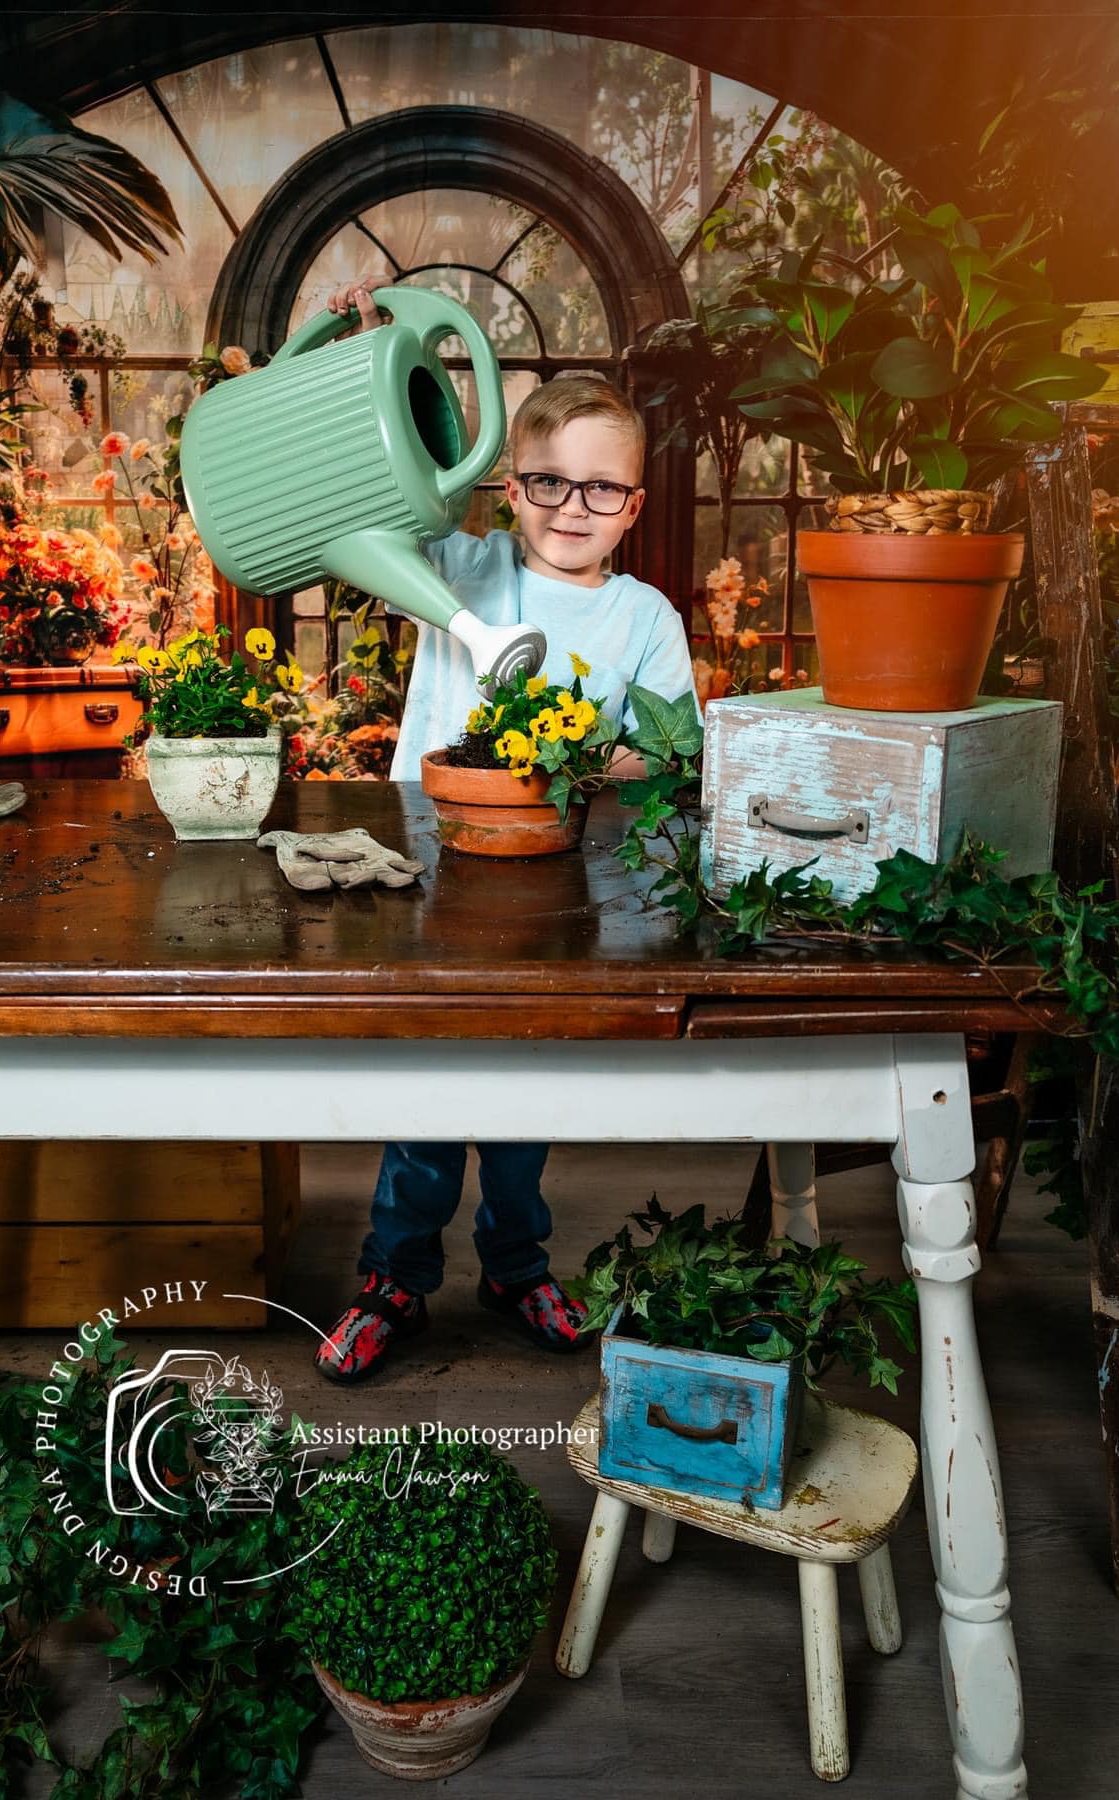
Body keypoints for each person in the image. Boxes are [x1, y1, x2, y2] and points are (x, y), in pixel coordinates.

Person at [315, 279, 697, 1384]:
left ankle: (515, 1268)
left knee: (524, 1094)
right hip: (430, 870)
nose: (571, 507)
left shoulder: (641, 617)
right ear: (509, 488)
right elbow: (362, 495)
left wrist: (593, 759)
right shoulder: (461, 569)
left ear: (632, 504)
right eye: (546, 482)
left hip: (555, 891)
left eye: (599, 488)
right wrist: (362, 352)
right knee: (428, 1092)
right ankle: (393, 1277)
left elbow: (671, 750)